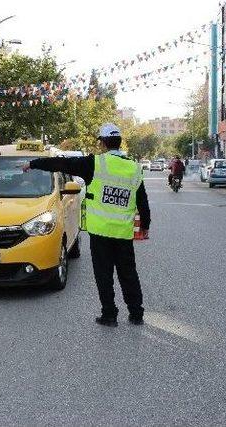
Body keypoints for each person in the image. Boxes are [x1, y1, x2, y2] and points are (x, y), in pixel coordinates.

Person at [22, 123, 151, 327]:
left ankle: (109, 315)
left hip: (100, 232)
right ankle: (136, 314)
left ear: (102, 143)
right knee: (128, 274)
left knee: (104, 275)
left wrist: (33, 163)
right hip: (123, 233)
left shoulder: (95, 164)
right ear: (119, 142)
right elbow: (142, 199)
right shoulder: (133, 167)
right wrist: (145, 224)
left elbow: (61, 164)